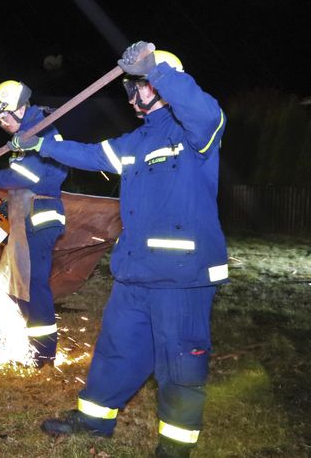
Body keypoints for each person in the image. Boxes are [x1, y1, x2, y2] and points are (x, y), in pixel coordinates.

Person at [28, 42, 228, 457]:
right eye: (130, 89)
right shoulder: (138, 141)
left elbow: (202, 110)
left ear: (160, 82)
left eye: (138, 87)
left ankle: (174, 447)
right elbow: (90, 154)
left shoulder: (197, 133)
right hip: (136, 271)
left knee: (180, 365)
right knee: (117, 349)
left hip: (182, 277)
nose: (133, 97)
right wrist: (39, 145)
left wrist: (156, 69)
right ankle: (95, 419)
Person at [0, 80, 68, 366]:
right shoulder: (26, 134)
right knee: (20, 287)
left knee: (33, 287)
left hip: (40, 217)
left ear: (19, 108)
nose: (3, 123)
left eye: (5, 116)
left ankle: (42, 356)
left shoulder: (42, 130)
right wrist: (10, 202)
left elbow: (28, 178)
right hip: (28, 214)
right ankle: (24, 344)